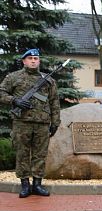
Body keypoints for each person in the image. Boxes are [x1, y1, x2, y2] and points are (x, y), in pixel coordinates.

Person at [0, 48, 60, 198]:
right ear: (24, 61)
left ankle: (37, 185)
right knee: (22, 153)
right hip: (22, 123)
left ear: (39, 61)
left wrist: (55, 122)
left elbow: (54, 102)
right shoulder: (13, 77)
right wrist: (15, 101)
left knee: (40, 155)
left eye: (36, 59)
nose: (33, 61)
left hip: (42, 123)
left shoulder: (48, 79)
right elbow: (1, 93)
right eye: (30, 58)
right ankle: (25, 185)